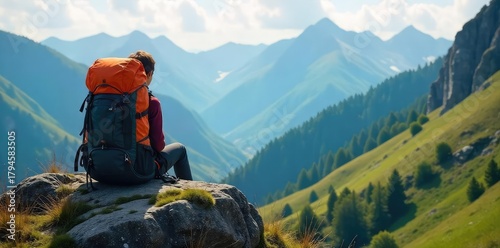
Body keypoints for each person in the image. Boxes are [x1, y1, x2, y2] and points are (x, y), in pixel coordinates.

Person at [128, 50, 193, 180]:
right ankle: (189, 192)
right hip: (138, 171)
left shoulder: (110, 98)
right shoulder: (151, 103)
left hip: (101, 170)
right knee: (180, 149)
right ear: (150, 74)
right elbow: (158, 146)